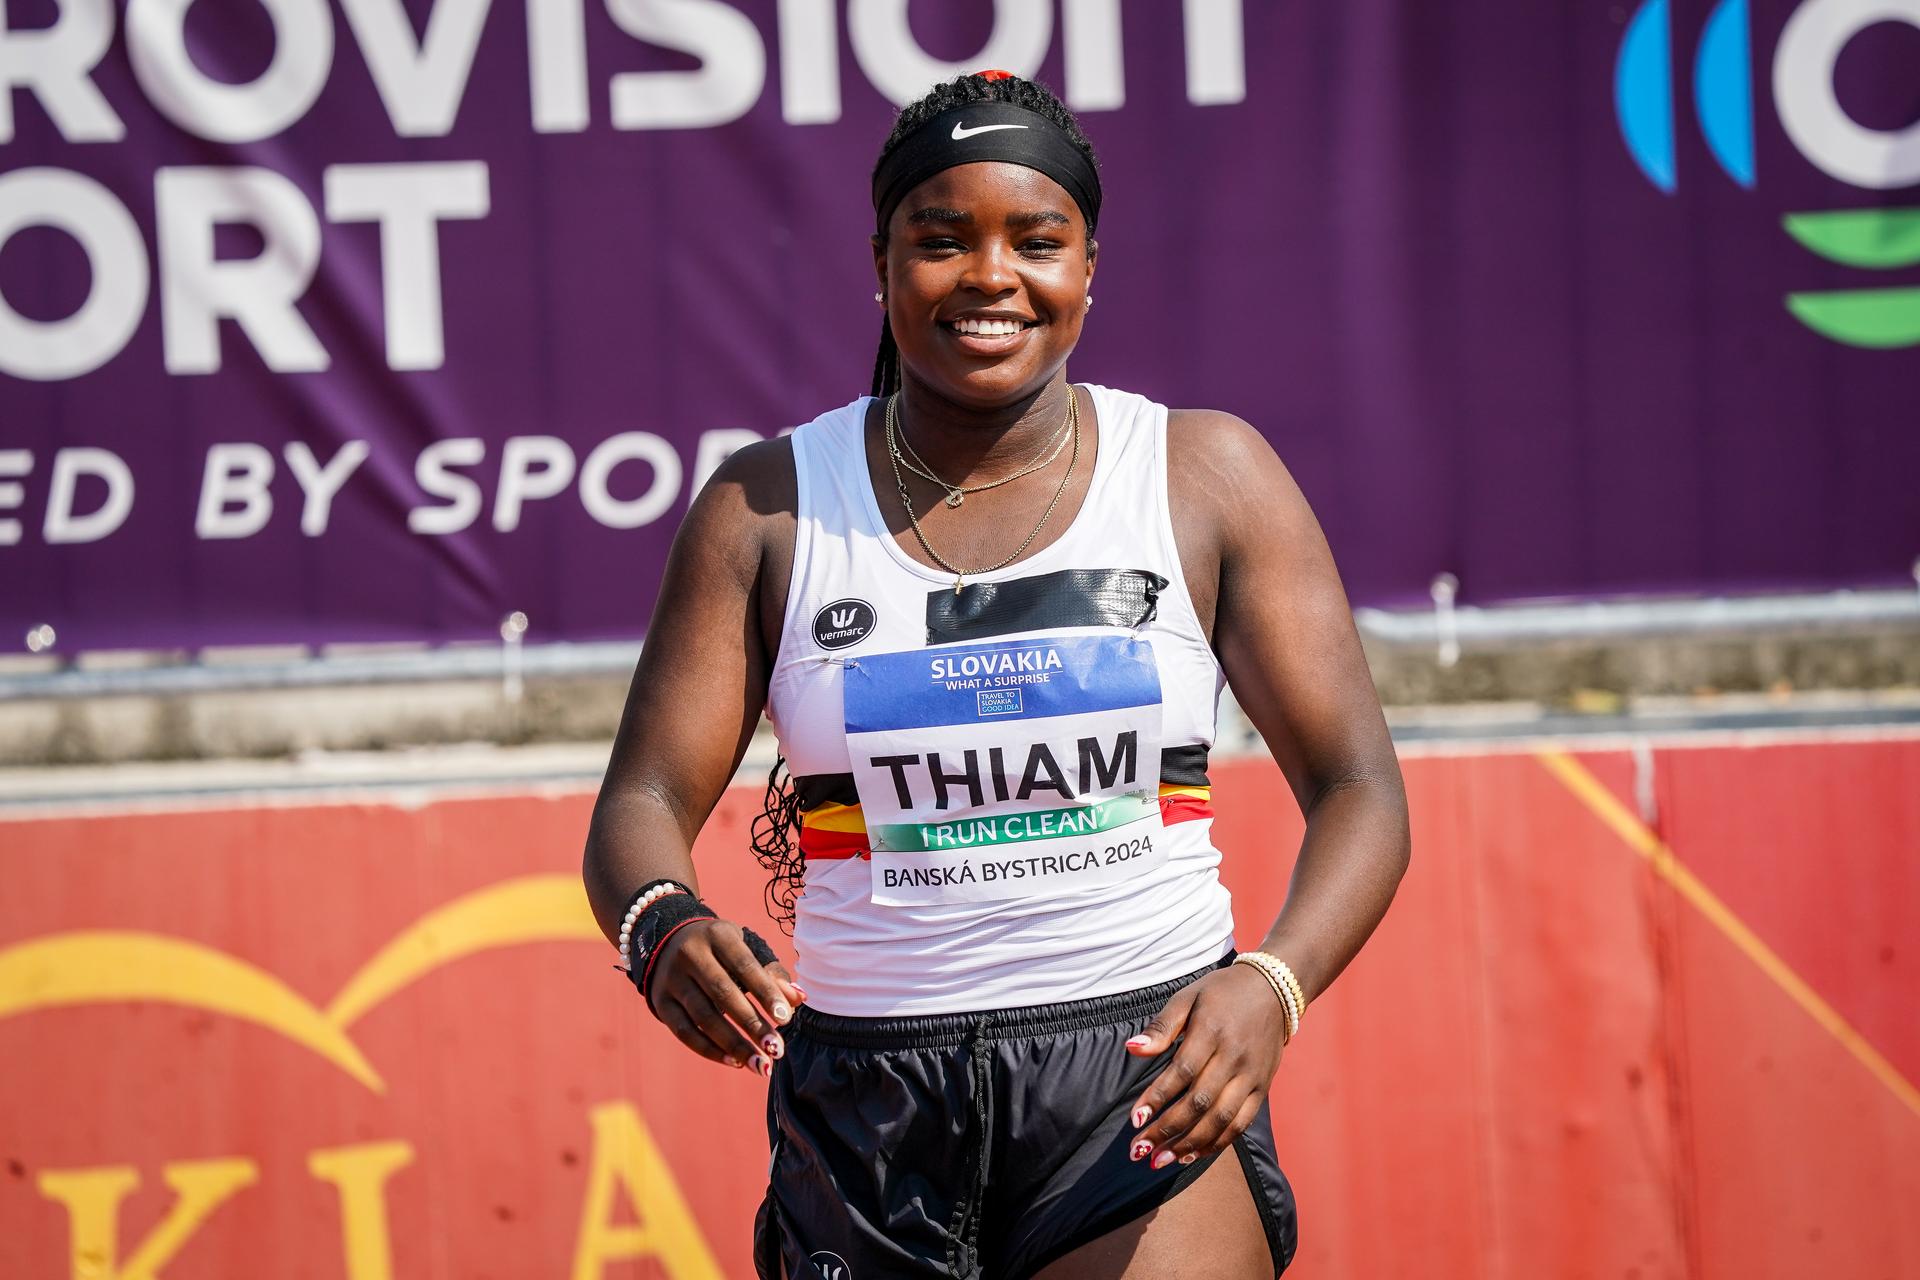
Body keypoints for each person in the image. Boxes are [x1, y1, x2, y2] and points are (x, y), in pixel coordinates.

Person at [583, 70, 1410, 1280]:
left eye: (1037, 240)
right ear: (879, 263)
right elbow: (642, 802)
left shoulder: (1204, 476)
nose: (989, 276)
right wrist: (662, 923)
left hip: (1139, 1081)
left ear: (1088, 266)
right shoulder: (766, 507)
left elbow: (1360, 787)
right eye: (941, 240)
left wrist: (1271, 987)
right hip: (870, 1106)